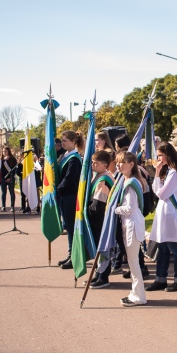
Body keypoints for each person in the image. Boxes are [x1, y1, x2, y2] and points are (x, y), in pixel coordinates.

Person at [146, 142, 177, 294]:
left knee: (174, 248)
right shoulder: (169, 170)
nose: (158, 159)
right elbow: (157, 191)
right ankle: (160, 279)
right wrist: (157, 174)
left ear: (168, 154)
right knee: (162, 248)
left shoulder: (176, 172)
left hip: (170, 213)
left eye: (160, 155)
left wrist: (157, 177)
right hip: (164, 212)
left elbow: (162, 194)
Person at [114, 151, 147, 307]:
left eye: (122, 162)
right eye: (118, 162)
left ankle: (139, 296)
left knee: (133, 262)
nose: (119, 165)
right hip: (129, 224)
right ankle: (135, 293)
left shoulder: (131, 183)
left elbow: (130, 208)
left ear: (131, 164)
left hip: (132, 225)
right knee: (132, 262)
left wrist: (115, 209)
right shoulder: (127, 180)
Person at [86, 150, 115, 289]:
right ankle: (98, 274)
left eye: (95, 163)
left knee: (103, 248)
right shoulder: (98, 176)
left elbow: (98, 205)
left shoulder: (103, 180)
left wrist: (84, 212)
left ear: (104, 165)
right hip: (98, 220)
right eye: (92, 162)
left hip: (101, 220)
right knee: (99, 248)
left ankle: (103, 276)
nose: (92, 165)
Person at [56, 131, 83, 269]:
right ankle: (70, 253)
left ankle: (74, 256)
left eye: (65, 140)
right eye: (62, 140)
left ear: (73, 141)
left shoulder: (75, 158)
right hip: (64, 195)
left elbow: (69, 178)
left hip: (70, 196)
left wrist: (58, 189)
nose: (62, 142)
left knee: (72, 227)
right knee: (67, 226)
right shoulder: (64, 155)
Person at [1, 146, 17, 212]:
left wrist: (10, 177)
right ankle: (3, 206)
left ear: (9, 152)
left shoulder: (13, 159)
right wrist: (3, 160)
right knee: (3, 192)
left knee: (11, 192)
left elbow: (14, 169)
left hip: (11, 178)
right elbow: (0, 169)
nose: (4, 153)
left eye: (5, 151)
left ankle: (12, 206)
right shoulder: (1, 159)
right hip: (3, 178)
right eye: (3, 151)